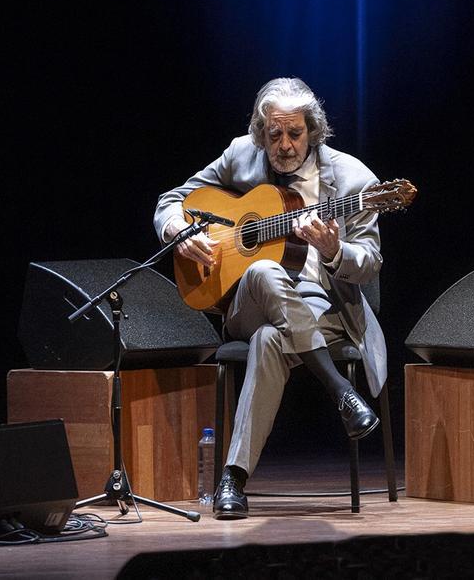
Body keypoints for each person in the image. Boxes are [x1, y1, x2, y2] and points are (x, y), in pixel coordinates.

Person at [153, 77, 385, 520]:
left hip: (325, 310)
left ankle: (233, 480)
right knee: (261, 268)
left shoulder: (357, 181)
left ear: (312, 130)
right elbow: (171, 200)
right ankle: (339, 388)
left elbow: (370, 262)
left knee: (267, 342)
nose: (283, 145)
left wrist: (335, 250)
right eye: (273, 134)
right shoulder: (241, 154)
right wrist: (178, 232)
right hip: (247, 302)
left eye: (294, 133)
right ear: (260, 134)